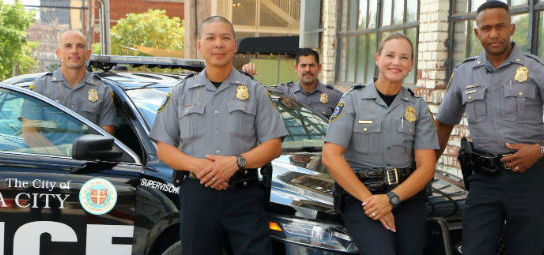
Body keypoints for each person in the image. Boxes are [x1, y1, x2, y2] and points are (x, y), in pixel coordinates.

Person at [434, 1, 544, 254]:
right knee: (474, 249)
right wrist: (426, 171)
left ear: (512, 28)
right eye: (487, 28)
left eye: (500, 26)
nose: (494, 34)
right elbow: (443, 124)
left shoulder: (537, 69)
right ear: (477, 33)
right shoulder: (464, 73)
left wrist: (541, 149)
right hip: (483, 180)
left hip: (530, 179)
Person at [149, 16, 287, 255]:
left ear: (234, 45)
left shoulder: (254, 91)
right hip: (198, 195)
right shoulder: (181, 92)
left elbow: (273, 145)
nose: (218, 44)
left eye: (225, 38)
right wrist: (199, 166)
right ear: (200, 45)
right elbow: (163, 147)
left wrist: (236, 162)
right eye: (210, 38)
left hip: (244, 194)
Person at [322, 33, 439, 255]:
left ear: (411, 64)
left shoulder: (418, 106)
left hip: (406, 198)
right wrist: (372, 201)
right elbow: (331, 156)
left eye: (404, 58)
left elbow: (426, 167)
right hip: (362, 198)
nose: (396, 62)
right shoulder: (352, 100)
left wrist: (391, 199)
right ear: (377, 59)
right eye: (390, 55)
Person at [22, 30, 117, 156]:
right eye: (68, 46)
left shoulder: (103, 91)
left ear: (88, 54)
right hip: (49, 165)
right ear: (59, 53)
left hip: (87, 166)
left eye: (80, 46)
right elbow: (30, 134)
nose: (74, 51)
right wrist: (61, 160)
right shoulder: (40, 87)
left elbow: (105, 138)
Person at [242, 48, 342, 119]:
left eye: (311, 65)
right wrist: (246, 77)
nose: (307, 69)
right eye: (303, 65)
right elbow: (256, 96)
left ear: (319, 68)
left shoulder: (334, 96)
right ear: (296, 68)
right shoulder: (282, 92)